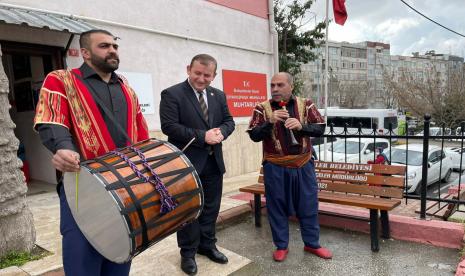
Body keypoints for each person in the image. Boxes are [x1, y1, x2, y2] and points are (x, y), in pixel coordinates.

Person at [33, 29, 149, 276]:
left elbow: (140, 131)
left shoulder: (127, 88)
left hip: (125, 185)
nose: (112, 51)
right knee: (82, 261)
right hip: (82, 187)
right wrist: (63, 147)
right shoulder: (61, 79)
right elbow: (51, 120)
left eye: (115, 46)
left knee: (120, 255)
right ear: (85, 53)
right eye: (104, 46)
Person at [159, 54, 235, 275]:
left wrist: (222, 132)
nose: (201, 79)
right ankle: (188, 253)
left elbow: (229, 121)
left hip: (213, 162)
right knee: (188, 210)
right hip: (185, 165)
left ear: (214, 75)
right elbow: (169, 127)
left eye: (207, 75)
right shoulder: (172, 94)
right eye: (197, 73)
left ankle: (207, 245)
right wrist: (203, 136)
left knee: (211, 208)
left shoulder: (218, 95)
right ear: (188, 69)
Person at [247, 72, 332, 262]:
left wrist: (301, 126)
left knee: (308, 204)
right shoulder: (262, 108)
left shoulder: (306, 104)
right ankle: (281, 246)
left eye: (280, 85)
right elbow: (254, 136)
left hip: (303, 164)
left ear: (291, 86)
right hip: (275, 166)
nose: (275, 89)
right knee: (276, 206)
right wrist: (270, 122)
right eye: (272, 85)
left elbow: (320, 128)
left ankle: (312, 244)